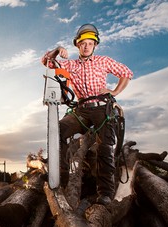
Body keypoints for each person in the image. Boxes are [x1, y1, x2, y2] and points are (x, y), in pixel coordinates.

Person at [41, 23, 133, 205]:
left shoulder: (103, 61)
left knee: (105, 148)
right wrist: (57, 50)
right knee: (57, 129)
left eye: (90, 43)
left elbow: (126, 73)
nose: (86, 46)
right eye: (82, 43)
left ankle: (105, 194)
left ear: (95, 45)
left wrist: (114, 92)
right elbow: (47, 62)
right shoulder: (72, 65)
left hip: (102, 108)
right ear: (77, 45)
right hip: (81, 110)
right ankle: (63, 175)